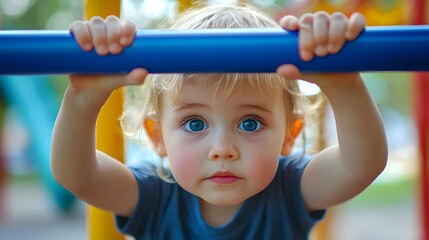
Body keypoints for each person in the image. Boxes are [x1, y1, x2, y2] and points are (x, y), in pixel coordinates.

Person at [50, 3, 388, 239]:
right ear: (158, 137)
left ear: (289, 134)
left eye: (250, 123)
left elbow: (361, 165)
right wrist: (83, 99)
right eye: (195, 124)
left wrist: (344, 87)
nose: (223, 149)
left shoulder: (290, 190)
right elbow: (77, 174)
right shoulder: (154, 196)